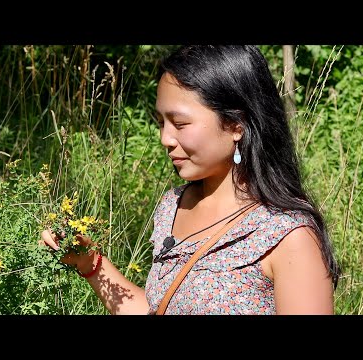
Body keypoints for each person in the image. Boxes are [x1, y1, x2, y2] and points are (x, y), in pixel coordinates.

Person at [39, 45, 340, 315]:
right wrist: (90, 263)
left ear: (236, 125)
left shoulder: (288, 236)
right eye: (161, 122)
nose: (165, 138)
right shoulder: (174, 205)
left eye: (180, 123)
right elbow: (156, 309)